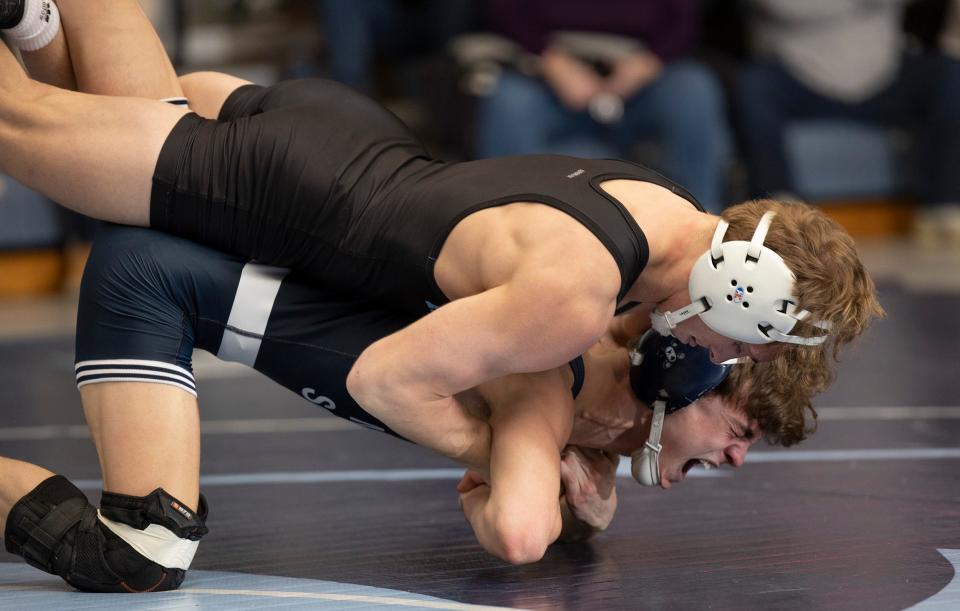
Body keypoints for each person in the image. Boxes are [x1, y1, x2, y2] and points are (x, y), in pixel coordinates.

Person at [0, 1, 880, 480]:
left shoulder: (663, 208)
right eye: (745, 342)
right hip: (284, 190)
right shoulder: (574, 301)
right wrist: (509, 449)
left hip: (342, 137)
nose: (725, 356)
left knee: (88, 74)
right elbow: (385, 378)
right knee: (18, 120)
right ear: (735, 288)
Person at [1, 222, 809, 592]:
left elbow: (571, 505)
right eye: (739, 430)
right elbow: (522, 531)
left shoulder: (579, 385)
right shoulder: (546, 374)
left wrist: (583, 490)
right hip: (162, 284)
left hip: (187, 270)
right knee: (142, 553)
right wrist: (536, 475)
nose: (736, 459)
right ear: (681, 380)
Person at [473, 0, 733, 213]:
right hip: (548, 73)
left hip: (642, 74)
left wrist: (649, 62)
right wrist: (552, 62)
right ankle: (507, 217)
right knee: (508, 99)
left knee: (694, 89)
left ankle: (701, 217)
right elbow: (504, 10)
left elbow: (684, 19)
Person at [734, 0, 960, 245]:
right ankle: (780, 213)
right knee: (752, 85)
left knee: (949, 74)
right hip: (797, 72)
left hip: (884, 73)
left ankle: (943, 206)